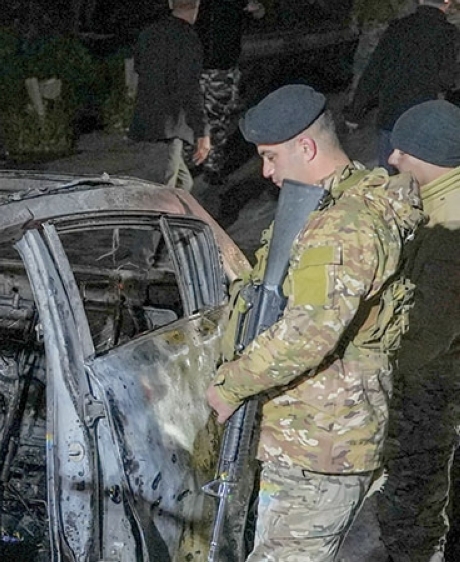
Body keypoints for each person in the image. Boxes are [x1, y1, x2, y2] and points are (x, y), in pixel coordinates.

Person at [205, 84, 425, 561]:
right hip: (312, 435)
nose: (266, 172)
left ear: (305, 147)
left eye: (271, 157)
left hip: (320, 444)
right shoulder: (337, 204)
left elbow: (308, 332)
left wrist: (230, 386)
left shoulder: (343, 223)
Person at [374, 99, 460, 562]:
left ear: (430, 155)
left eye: (403, 152)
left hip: (431, 387)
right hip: (436, 379)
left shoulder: (448, 224)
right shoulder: (440, 201)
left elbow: (431, 330)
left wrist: (383, 371)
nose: (393, 159)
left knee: (413, 506)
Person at [345, 0, 460, 172]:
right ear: (447, 3)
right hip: (423, 119)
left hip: (391, 115)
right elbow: (448, 79)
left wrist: (355, 113)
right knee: (420, 177)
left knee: (388, 175)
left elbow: (373, 71)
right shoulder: (449, 33)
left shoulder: (397, 27)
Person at [128, 0, 211, 192]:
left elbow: (139, 68)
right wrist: (202, 131)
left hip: (146, 119)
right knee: (165, 192)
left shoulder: (149, 33)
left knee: (183, 185)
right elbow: (189, 87)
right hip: (169, 125)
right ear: (196, 6)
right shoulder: (188, 38)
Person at [195, 0, 265, 185]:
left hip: (214, 66)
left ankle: (207, 164)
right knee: (208, 119)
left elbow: (257, 13)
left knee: (213, 118)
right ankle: (204, 164)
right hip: (207, 67)